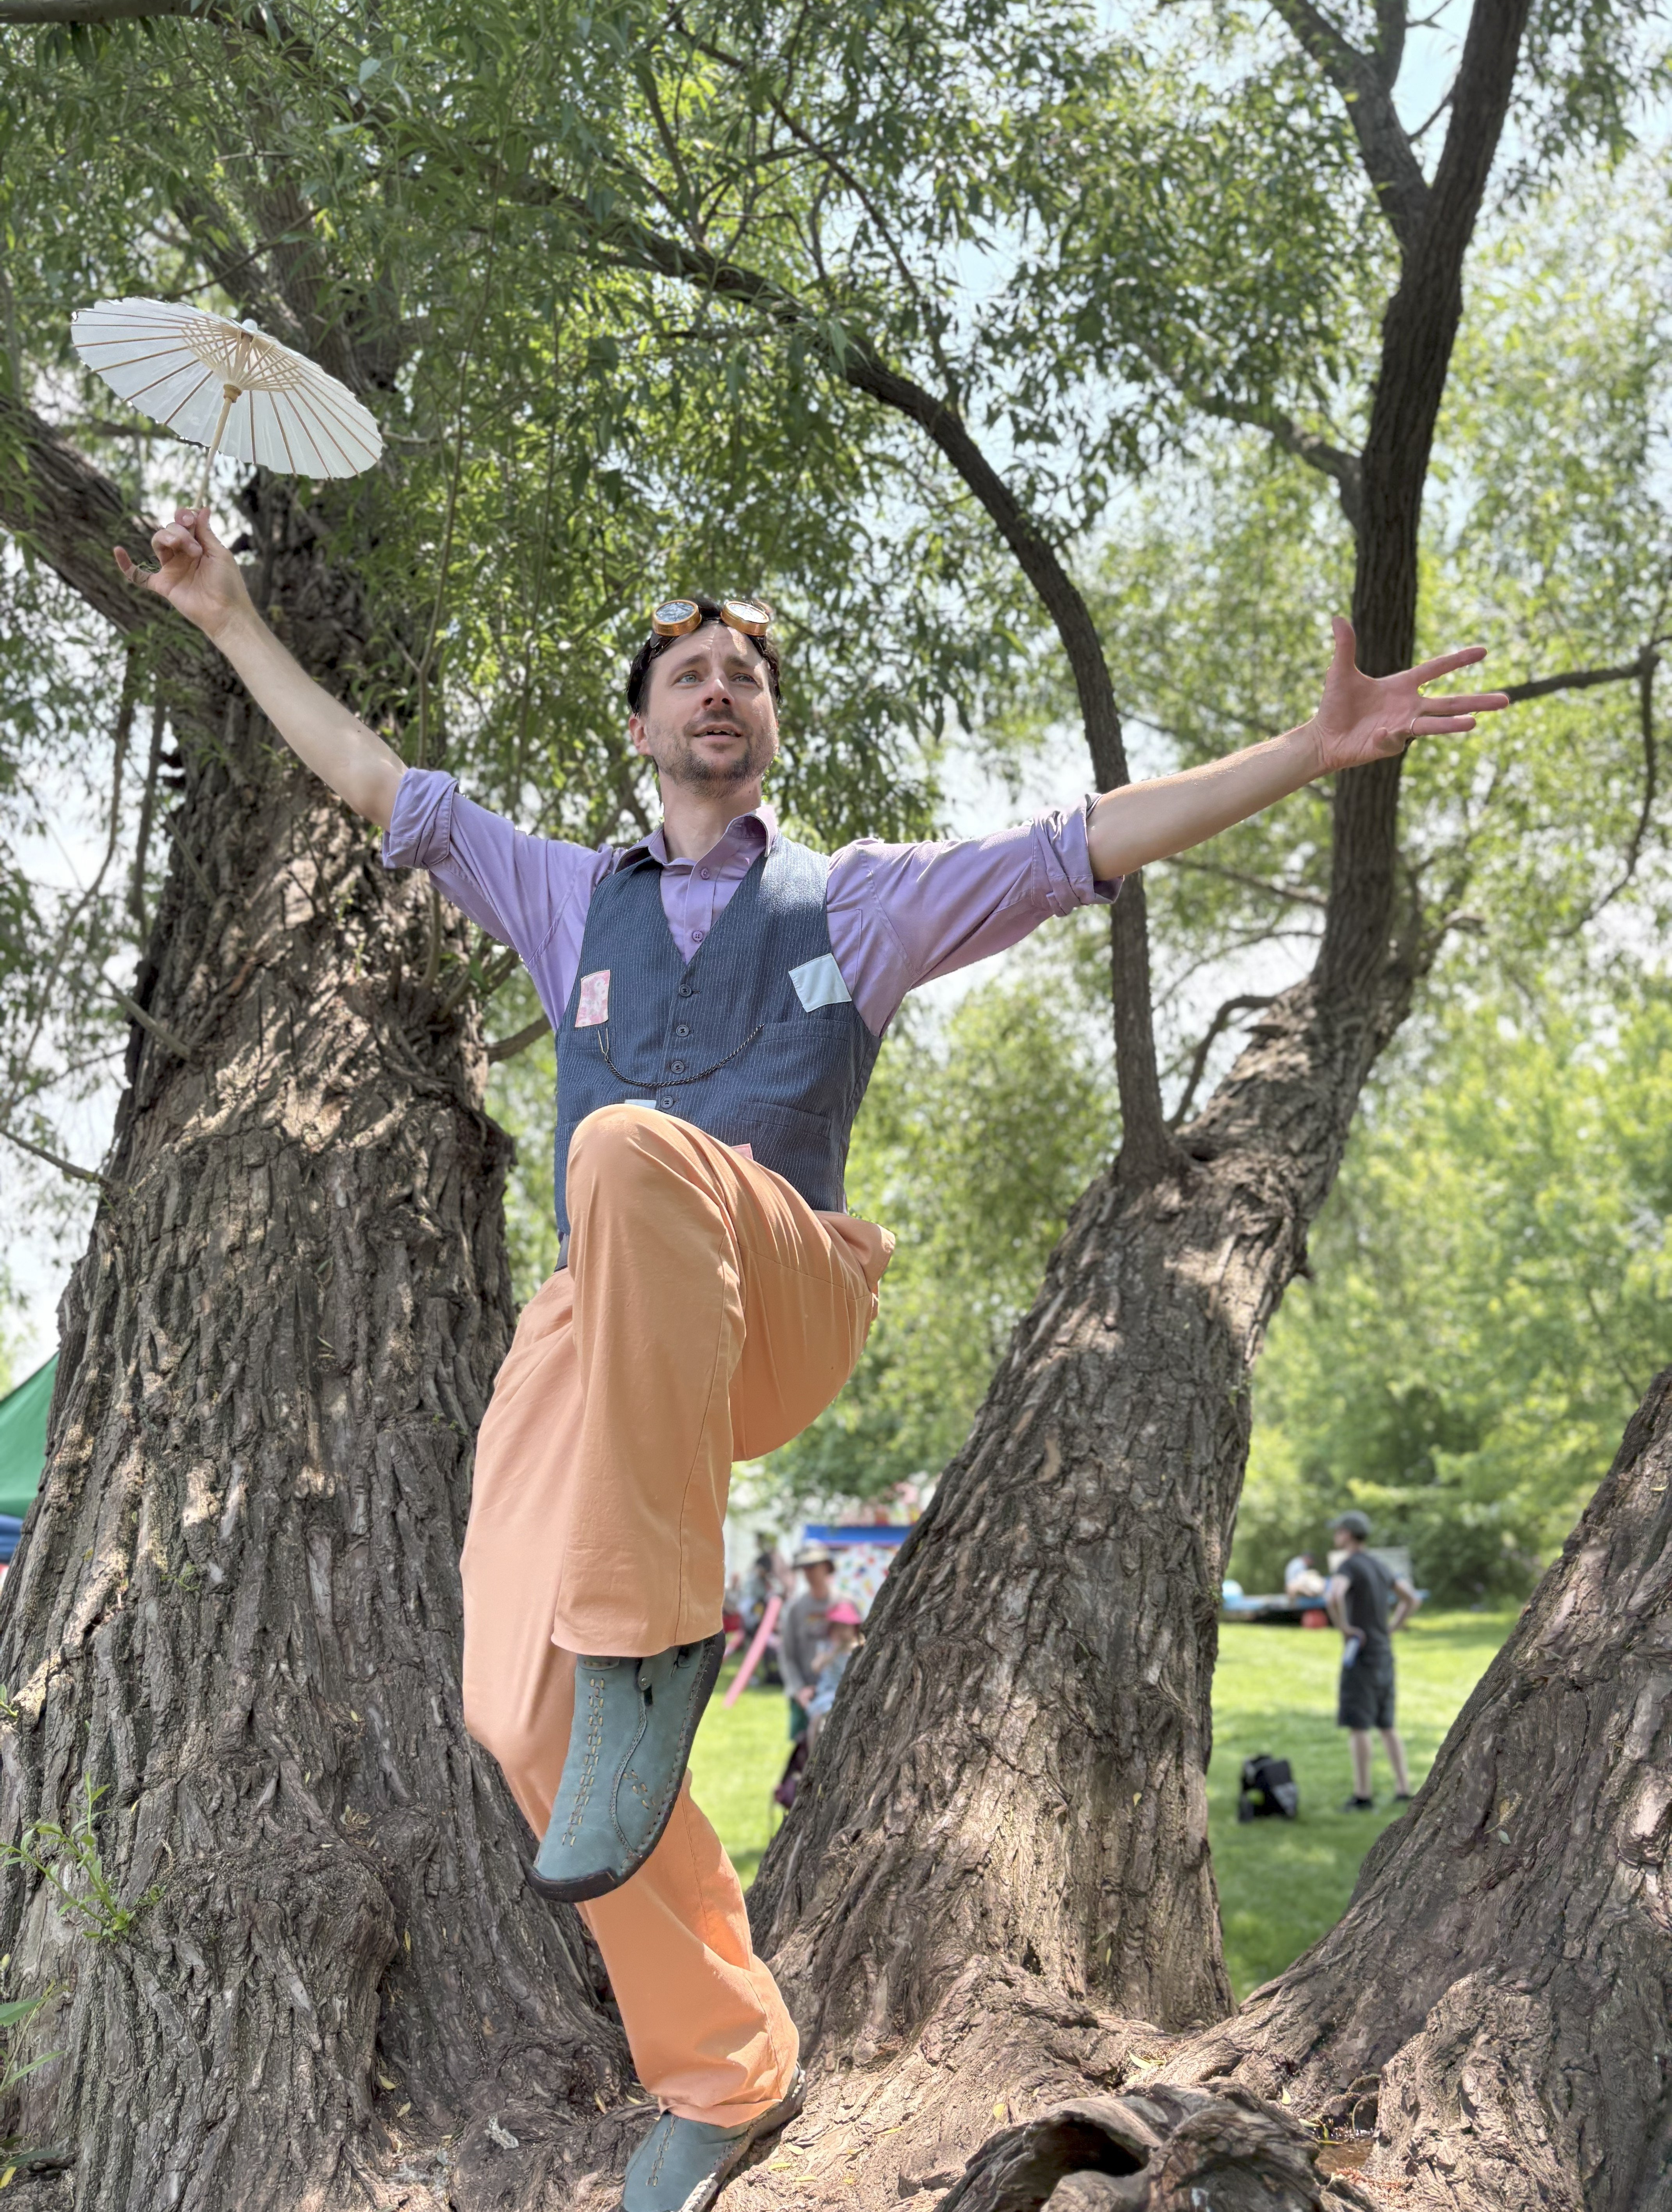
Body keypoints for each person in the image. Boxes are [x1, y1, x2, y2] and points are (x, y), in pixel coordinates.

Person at [116, 502, 1504, 2212]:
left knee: (622, 1147)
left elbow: (1084, 841)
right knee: (508, 1704)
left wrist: (1310, 748)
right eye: (689, 670)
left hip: (775, 1284)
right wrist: (232, 613)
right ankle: (722, 2063)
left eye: (747, 674)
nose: (721, 686)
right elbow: (376, 782)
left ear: (766, 731)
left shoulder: (856, 905)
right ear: (640, 726)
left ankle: (651, 1636)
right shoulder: (567, 899)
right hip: (599, 1325)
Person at [1326, 1510, 1421, 1810]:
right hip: (1384, 1653)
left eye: (1338, 1531)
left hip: (1362, 1655)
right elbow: (1412, 1599)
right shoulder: (1381, 1566)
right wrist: (1391, 1628)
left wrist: (1343, 1627)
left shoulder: (1349, 1566)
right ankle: (1404, 1788)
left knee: (1359, 1726)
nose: (1335, 1536)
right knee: (1387, 1724)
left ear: (1348, 1534)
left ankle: (1363, 1796)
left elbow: (1333, 1596)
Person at [777, 1542, 837, 1739]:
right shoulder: (795, 1609)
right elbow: (787, 1656)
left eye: (814, 1566)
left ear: (827, 1567)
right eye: (805, 1568)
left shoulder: (844, 1604)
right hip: (804, 1694)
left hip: (838, 1692)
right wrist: (799, 1689)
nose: (809, 1572)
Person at [806, 1600, 863, 1748]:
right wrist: (833, 1652)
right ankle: (812, 1754)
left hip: (849, 1694)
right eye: (837, 1627)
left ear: (854, 1630)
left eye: (845, 1627)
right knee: (818, 1720)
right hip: (828, 1693)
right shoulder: (826, 1648)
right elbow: (816, 1667)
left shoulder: (857, 1650)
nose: (841, 1632)